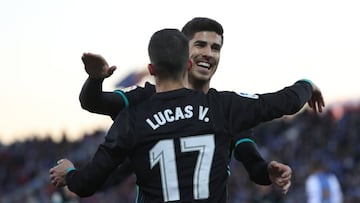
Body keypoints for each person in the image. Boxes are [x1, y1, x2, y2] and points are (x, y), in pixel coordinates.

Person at [50, 28, 318, 202]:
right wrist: (308, 85)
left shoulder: (134, 115)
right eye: (201, 45)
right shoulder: (224, 107)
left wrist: (71, 174)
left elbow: (85, 184)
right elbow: (285, 102)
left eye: (215, 48)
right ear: (188, 60)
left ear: (151, 69)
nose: (208, 53)